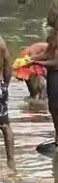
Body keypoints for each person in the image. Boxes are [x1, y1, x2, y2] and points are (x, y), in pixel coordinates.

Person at [30, 5, 58, 148]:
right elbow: (47, 54)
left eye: (51, 16)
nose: (48, 18)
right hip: (53, 74)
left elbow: (56, 61)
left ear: (57, 19)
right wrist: (31, 58)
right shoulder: (54, 35)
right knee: (53, 109)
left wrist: (37, 63)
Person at [0, 35, 16, 172]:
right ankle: (11, 163)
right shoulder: (1, 42)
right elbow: (8, 67)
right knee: (5, 125)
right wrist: (5, 85)